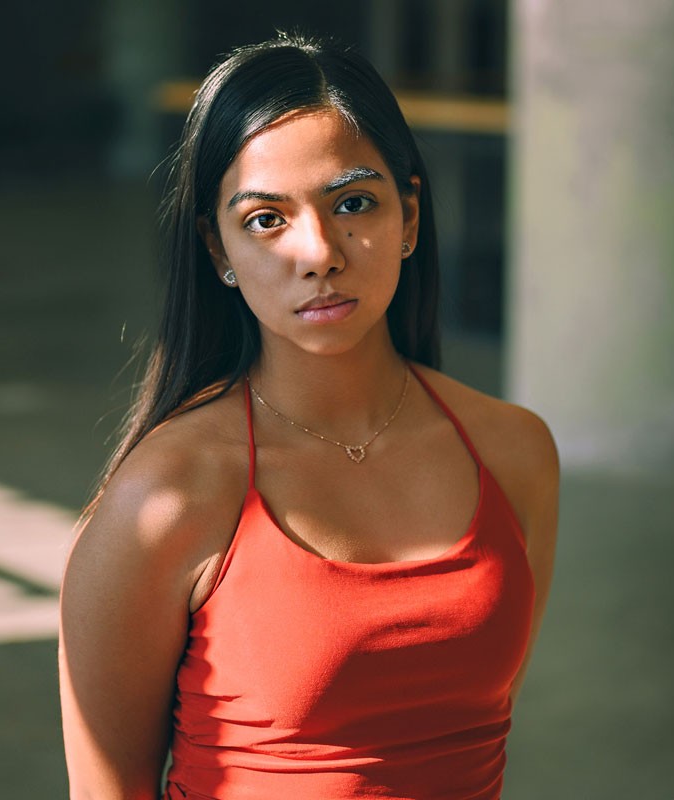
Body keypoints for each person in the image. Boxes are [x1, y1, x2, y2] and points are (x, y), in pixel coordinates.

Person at [58, 31, 559, 800]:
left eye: (353, 203)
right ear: (217, 250)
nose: (318, 251)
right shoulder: (165, 495)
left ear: (411, 218)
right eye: (265, 219)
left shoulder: (512, 451)